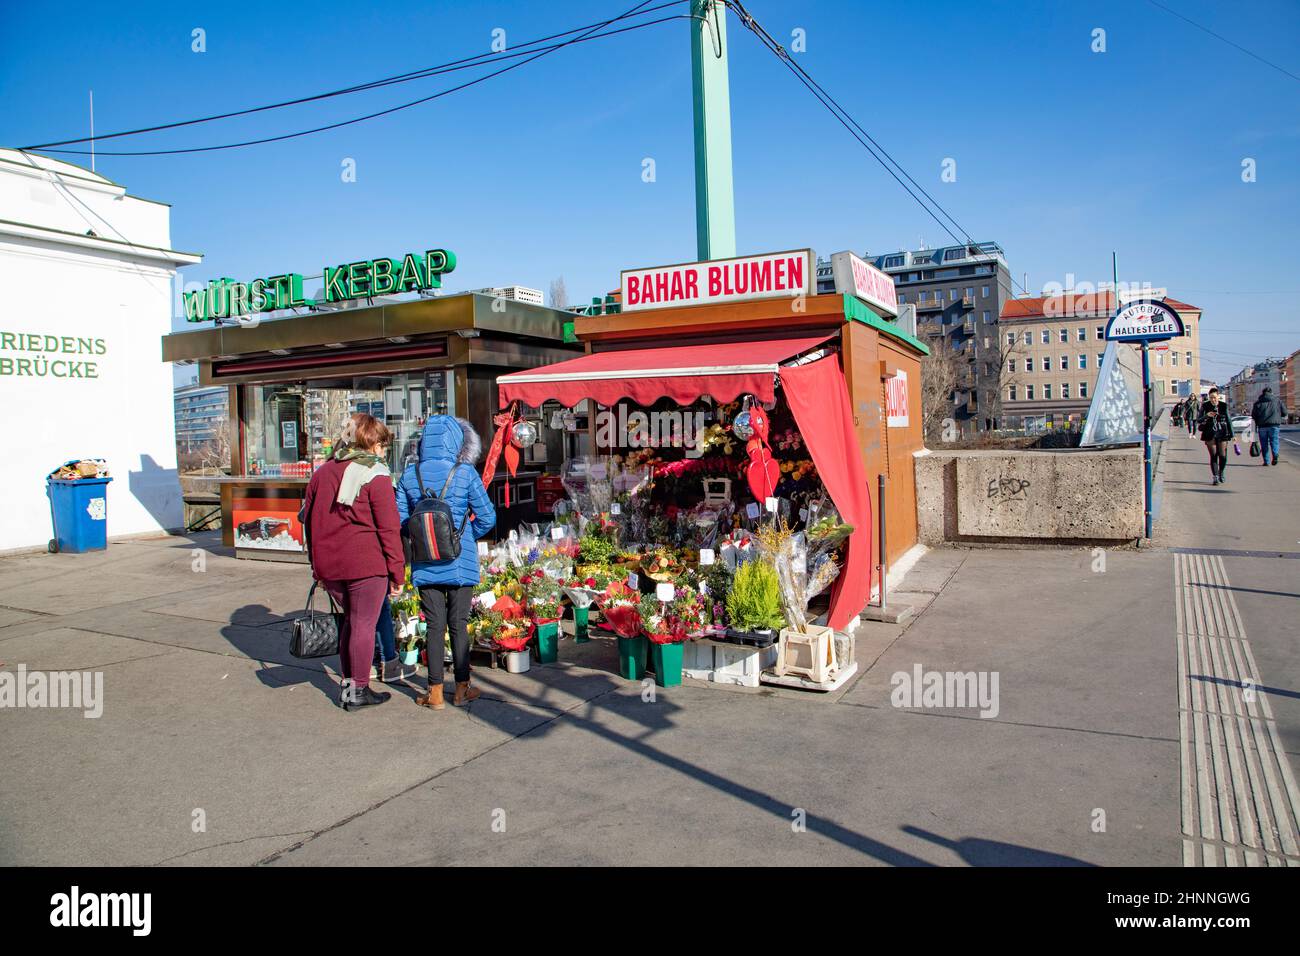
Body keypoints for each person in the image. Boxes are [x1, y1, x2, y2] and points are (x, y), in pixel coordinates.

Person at [302, 413, 405, 710]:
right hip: (366, 564)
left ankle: (349, 686)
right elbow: (388, 528)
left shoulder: (322, 473)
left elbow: (309, 521)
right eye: (382, 445)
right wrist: (397, 571)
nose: (384, 451)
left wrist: (316, 566)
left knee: (350, 622)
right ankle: (359, 689)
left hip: (330, 565)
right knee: (362, 624)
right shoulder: (375, 473)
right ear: (371, 443)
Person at [396, 416, 496, 710]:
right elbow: (488, 517)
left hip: (426, 562)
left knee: (434, 625)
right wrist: (464, 537)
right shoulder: (464, 473)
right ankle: (462, 688)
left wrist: (425, 539)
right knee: (459, 624)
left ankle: (435, 692)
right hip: (460, 561)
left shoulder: (409, 475)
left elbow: (401, 520)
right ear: (456, 441)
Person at [1197, 387, 1233, 486]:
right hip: (1209, 433)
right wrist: (1207, 415)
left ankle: (1221, 472)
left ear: (1218, 397)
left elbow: (1229, 420)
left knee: (1222, 456)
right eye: (1211, 397)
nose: (1213, 399)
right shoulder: (1205, 406)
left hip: (1222, 432)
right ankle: (1215, 476)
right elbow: (1198, 420)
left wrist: (1232, 435)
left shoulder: (1223, 406)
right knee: (1213, 456)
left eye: (1214, 397)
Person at [1251, 386, 1287, 466]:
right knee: (1274, 441)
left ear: (1262, 393)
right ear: (1271, 392)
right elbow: (1284, 412)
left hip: (1262, 426)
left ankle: (1266, 461)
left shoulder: (1258, 403)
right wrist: (1278, 415)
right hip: (1274, 425)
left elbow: (1254, 416)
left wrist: (1254, 429)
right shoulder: (1277, 401)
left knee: (1264, 444)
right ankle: (1275, 455)